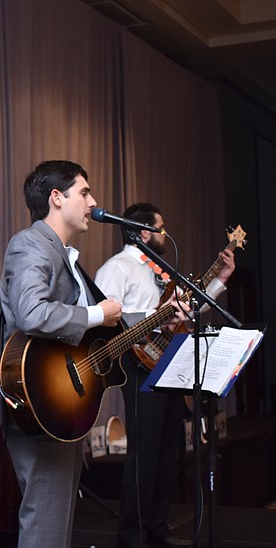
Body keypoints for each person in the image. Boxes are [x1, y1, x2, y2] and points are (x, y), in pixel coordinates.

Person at [0, 160, 123, 547]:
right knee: (45, 526)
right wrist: (97, 313)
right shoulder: (30, 243)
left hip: (60, 403)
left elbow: (81, 326)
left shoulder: (63, 255)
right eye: (84, 192)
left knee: (55, 526)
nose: (93, 202)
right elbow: (32, 313)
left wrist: (161, 313)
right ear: (57, 198)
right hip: (40, 401)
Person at [94, 203, 234, 548]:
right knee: (145, 453)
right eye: (160, 227)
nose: (164, 233)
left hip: (168, 362)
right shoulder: (118, 267)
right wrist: (156, 315)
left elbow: (185, 312)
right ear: (143, 232)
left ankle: (158, 529)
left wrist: (218, 281)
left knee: (168, 452)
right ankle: (132, 535)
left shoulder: (160, 270)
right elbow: (106, 317)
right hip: (137, 364)